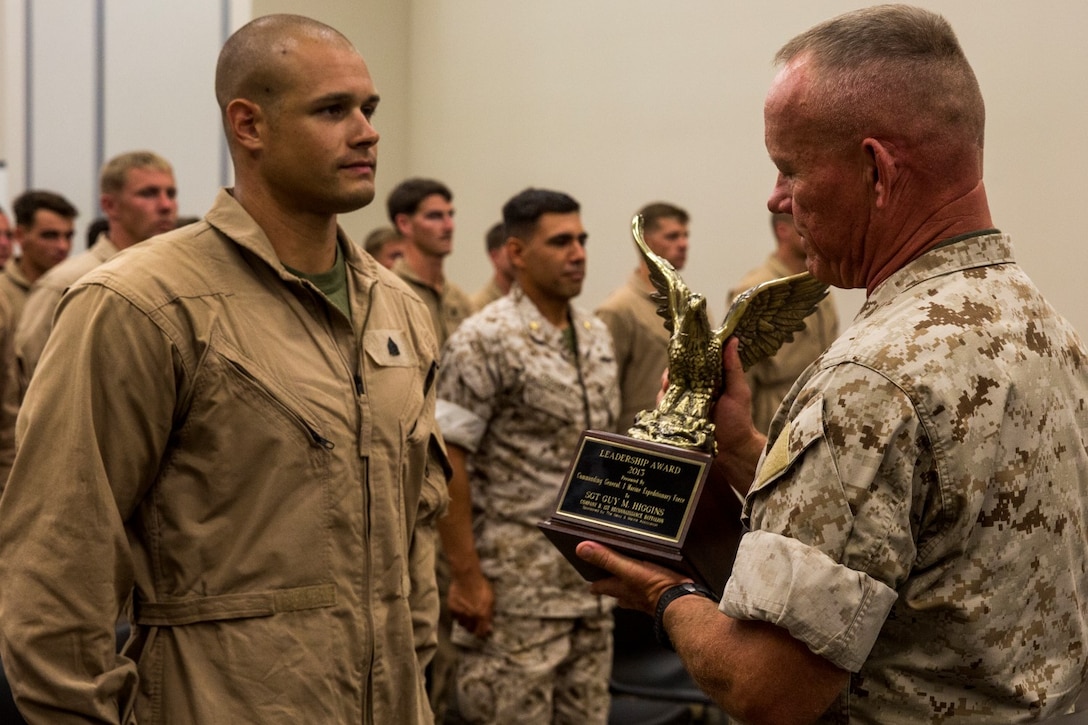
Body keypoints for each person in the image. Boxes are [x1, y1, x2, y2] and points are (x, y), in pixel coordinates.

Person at [577, 5, 1088, 723]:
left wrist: (664, 593)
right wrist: (745, 450)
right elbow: (911, 534)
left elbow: (768, 687)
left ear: (876, 170)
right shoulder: (1042, 325)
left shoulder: (871, 381)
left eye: (790, 169)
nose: (776, 199)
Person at [0, 14, 450, 724]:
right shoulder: (142, 302)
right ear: (249, 125)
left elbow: (415, 525)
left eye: (369, 109)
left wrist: (415, 672)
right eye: (333, 110)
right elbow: (60, 554)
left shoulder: (398, 309)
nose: (367, 131)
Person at [436, 188, 618, 724]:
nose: (578, 252)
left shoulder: (594, 334)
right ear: (516, 253)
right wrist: (467, 579)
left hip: (590, 586)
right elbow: (449, 459)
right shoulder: (484, 339)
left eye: (581, 239)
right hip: (515, 592)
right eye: (560, 242)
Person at [14, 151, 178, 387]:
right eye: (149, 193)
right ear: (110, 206)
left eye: (170, 194)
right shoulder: (67, 282)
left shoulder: (175, 278)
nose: (166, 205)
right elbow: (35, 382)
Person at [726, 212, 838, 433]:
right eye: (804, 224)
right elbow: (740, 371)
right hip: (772, 417)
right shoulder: (756, 289)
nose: (815, 231)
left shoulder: (819, 282)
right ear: (782, 230)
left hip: (817, 412)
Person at [596, 201, 692, 433]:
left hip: (683, 439)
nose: (683, 244)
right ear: (646, 242)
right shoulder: (618, 309)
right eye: (672, 236)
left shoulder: (691, 306)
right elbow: (600, 395)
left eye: (685, 235)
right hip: (633, 442)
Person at [387, 177, 474, 347]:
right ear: (404, 224)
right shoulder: (389, 293)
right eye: (435, 216)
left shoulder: (457, 298)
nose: (449, 226)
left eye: (450, 215)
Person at [1, 190, 77, 316]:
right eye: (50, 236)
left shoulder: (76, 287)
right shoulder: (3, 294)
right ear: (20, 235)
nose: (63, 246)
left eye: (68, 236)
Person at [469, 221, 514, 311]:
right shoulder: (478, 306)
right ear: (494, 256)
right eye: (512, 250)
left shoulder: (535, 299)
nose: (518, 257)